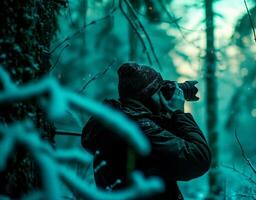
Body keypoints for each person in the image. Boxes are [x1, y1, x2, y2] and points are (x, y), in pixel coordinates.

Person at [81, 62, 211, 200]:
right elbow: (198, 158)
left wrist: (167, 116)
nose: (164, 96)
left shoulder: (117, 123)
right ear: (146, 96)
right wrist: (178, 113)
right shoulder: (139, 131)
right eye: (159, 91)